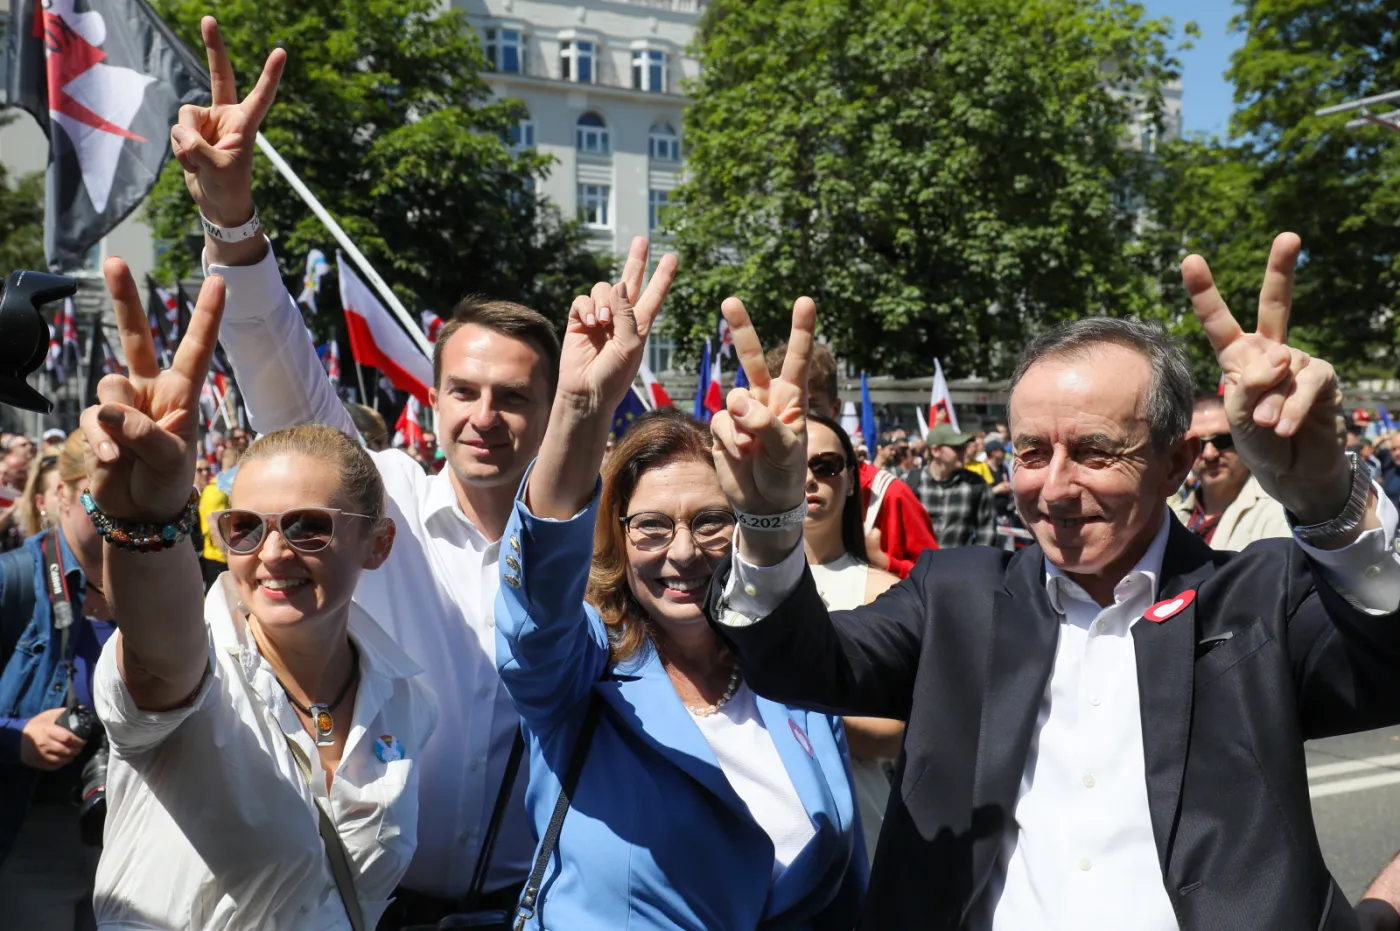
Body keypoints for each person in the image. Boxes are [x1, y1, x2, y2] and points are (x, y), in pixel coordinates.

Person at [702, 232, 1400, 930]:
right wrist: (768, 521)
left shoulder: (1259, 596)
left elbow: (1387, 663)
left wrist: (1329, 497)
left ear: (1172, 464)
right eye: (1031, 451)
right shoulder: (956, 596)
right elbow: (797, 663)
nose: (1055, 488)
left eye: (1095, 451)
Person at [167, 21, 598, 922]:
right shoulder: (376, 498)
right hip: (370, 901)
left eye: (514, 397)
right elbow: (277, 365)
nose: (486, 416)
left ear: (554, 403)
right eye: (465, 390)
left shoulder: (592, 541)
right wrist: (231, 217)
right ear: (433, 396)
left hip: (537, 907)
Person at [494, 265, 866, 929]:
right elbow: (535, 617)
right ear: (617, 536)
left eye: (709, 521)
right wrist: (581, 409)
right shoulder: (580, 676)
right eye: (653, 527)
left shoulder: (796, 683)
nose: (684, 551)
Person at [81, 263, 435, 930]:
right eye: (244, 528)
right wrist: (146, 523)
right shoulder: (199, 659)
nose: (272, 554)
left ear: (378, 544)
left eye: (308, 526)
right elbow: (160, 664)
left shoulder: (409, 699)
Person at [0, 431, 112, 930]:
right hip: (28, 836)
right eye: (100, 497)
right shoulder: (14, 580)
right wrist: (14, 737)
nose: (119, 514)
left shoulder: (160, 579)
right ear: (60, 496)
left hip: (131, 838)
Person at [801, 411, 902, 864]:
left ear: (849, 477)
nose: (809, 479)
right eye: (791, 463)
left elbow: (899, 731)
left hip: (865, 823)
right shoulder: (727, 585)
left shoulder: (888, 592)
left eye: (826, 465)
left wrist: (787, 711)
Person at [764, 342, 936, 579]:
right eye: (785, 409)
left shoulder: (886, 494)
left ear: (835, 410)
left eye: (810, 407)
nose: (798, 421)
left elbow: (936, 583)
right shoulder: (753, 491)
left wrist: (883, 562)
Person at [1170, 394, 1291, 549]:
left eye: (1222, 441)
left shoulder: (1278, 514)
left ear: (1244, 441)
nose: (1209, 454)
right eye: (1198, 444)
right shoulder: (1169, 516)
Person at [909, 423, 997, 548]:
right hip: (916, 565)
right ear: (935, 451)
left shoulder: (976, 484)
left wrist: (975, 563)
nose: (964, 452)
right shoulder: (912, 482)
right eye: (957, 448)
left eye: (964, 447)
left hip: (958, 565)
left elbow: (987, 531)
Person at [199, 448, 240, 591]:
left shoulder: (222, 488)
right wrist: (227, 556)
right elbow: (214, 526)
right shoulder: (216, 491)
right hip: (217, 559)